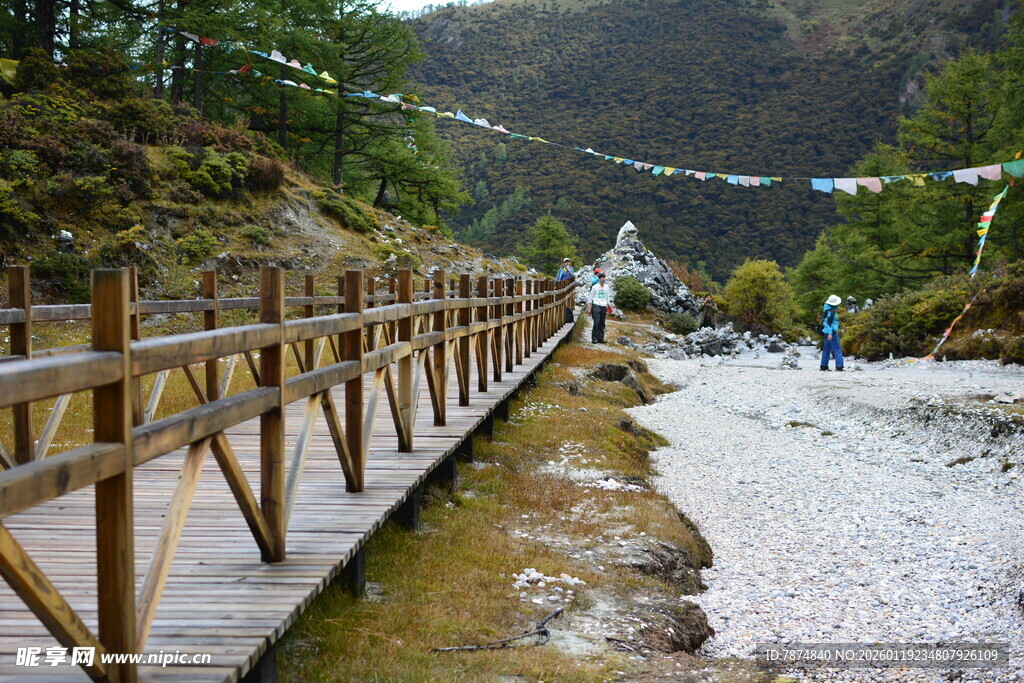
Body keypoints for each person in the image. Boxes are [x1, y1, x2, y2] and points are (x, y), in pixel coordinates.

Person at [820, 294, 844, 372]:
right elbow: (828, 323)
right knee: (837, 349)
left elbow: (824, 322)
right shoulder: (831, 312)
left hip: (826, 332)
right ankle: (839, 366)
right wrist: (830, 333)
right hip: (832, 333)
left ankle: (824, 366)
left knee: (826, 349)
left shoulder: (827, 310)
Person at [589, 272, 612, 343]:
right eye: (602, 278)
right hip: (596, 304)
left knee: (602, 323)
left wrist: (608, 306)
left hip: (603, 305)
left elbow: (607, 297)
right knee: (596, 322)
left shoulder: (607, 287)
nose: (603, 279)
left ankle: (600, 338)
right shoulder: (595, 287)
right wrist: (589, 308)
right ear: (599, 279)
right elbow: (590, 298)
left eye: (604, 278)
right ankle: (594, 338)